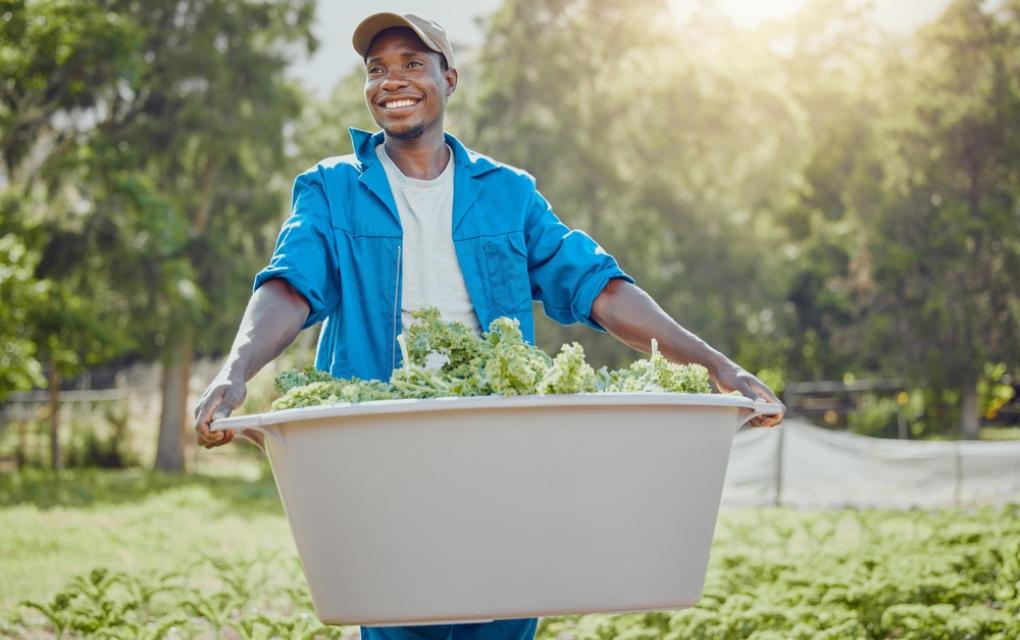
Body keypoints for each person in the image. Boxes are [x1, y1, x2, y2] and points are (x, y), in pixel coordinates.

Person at [193, 11, 784, 640]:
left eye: (412, 64)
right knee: (399, 615)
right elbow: (289, 285)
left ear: (449, 78)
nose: (392, 80)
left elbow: (601, 290)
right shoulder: (332, 189)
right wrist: (236, 372)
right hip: (385, 459)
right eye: (376, 69)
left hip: (499, 458)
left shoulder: (509, 194)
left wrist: (717, 364)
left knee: (503, 617)